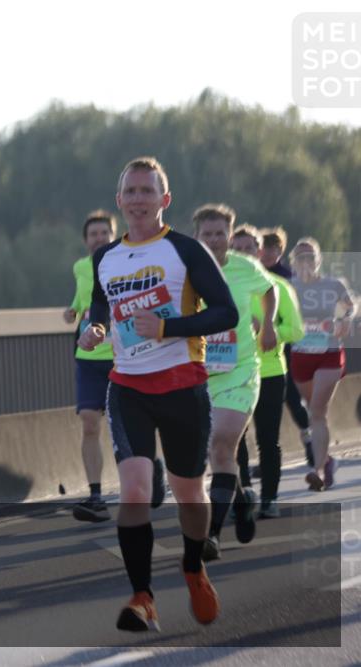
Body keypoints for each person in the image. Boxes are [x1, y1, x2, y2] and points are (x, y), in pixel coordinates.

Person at [79, 156, 237, 632]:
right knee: (134, 491)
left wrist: (169, 326)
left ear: (164, 200)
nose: (139, 199)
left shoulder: (186, 250)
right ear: (119, 201)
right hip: (128, 388)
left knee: (190, 493)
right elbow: (100, 308)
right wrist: (93, 330)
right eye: (131, 191)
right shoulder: (105, 258)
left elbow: (225, 313)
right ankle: (142, 597)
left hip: (183, 385)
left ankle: (193, 568)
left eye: (148, 191)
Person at [65, 211, 165, 522]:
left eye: (103, 233)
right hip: (89, 358)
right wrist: (73, 310)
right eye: (92, 234)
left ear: (114, 235)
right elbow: (89, 300)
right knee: (89, 422)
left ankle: (152, 466)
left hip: (125, 355)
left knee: (134, 425)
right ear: (85, 241)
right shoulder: (81, 267)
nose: (98, 239)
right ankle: (96, 496)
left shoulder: (128, 262)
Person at [193, 208, 277, 562]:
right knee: (216, 454)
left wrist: (269, 325)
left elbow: (269, 290)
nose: (214, 240)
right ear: (197, 235)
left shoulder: (245, 267)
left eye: (219, 233)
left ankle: (211, 535)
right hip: (200, 373)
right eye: (207, 234)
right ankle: (242, 500)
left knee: (222, 443)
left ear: (229, 234)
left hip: (240, 370)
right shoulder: (186, 270)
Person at [231, 225, 304, 519]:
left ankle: (269, 498)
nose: (244, 254)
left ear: (259, 252)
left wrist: (270, 330)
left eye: (249, 248)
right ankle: (243, 493)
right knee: (233, 439)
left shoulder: (278, 286)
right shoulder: (222, 284)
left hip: (271, 372)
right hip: (233, 373)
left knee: (267, 438)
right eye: (238, 248)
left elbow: (297, 329)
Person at [289, 238, 355, 491]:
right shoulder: (288, 287)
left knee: (317, 410)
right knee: (314, 412)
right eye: (301, 257)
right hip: (301, 354)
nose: (306, 262)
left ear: (318, 260)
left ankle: (317, 471)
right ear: (294, 262)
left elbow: (351, 306)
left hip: (329, 352)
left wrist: (346, 319)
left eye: (310, 257)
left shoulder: (333, 284)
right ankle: (327, 461)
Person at [261, 227, 315, 467]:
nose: (268, 253)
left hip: (285, 345)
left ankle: (309, 436)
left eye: (273, 248)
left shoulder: (288, 277)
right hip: (256, 348)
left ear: (280, 250)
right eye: (265, 248)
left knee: (291, 398)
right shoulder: (253, 274)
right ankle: (266, 458)